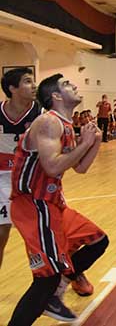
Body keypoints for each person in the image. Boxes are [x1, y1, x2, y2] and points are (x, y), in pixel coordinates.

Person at [8, 74, 108, 325]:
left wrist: (92, 143)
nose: (74, 85)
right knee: (45, 278)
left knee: (98, 241)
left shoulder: (64, 124)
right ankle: (50, 292)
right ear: (55, 96)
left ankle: (59, 288)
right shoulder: (48, 122)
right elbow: (52, 167)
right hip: (33, 203)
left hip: (53, 204)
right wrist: (84, 143)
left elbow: (80, 168)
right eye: (66, 85)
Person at [0, 68, 42, 270]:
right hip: (3, 180)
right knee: (0, 234)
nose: (34, 85)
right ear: (12, 88)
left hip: (33, 179)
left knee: (42, 234)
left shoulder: (41, 113)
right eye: (27, 81)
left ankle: (71, 274)